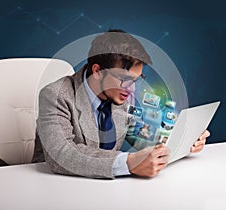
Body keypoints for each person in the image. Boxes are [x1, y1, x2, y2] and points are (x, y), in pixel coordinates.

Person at [32, 29, 210, 179]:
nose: (132, 89)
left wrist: (182, 140)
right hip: (55, 187)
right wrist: (128, 163)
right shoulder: (56, 95)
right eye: (124, 79)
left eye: (136, 79)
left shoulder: (122, 95)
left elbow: (141, 136)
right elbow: (61, 155)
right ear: (97, 71)